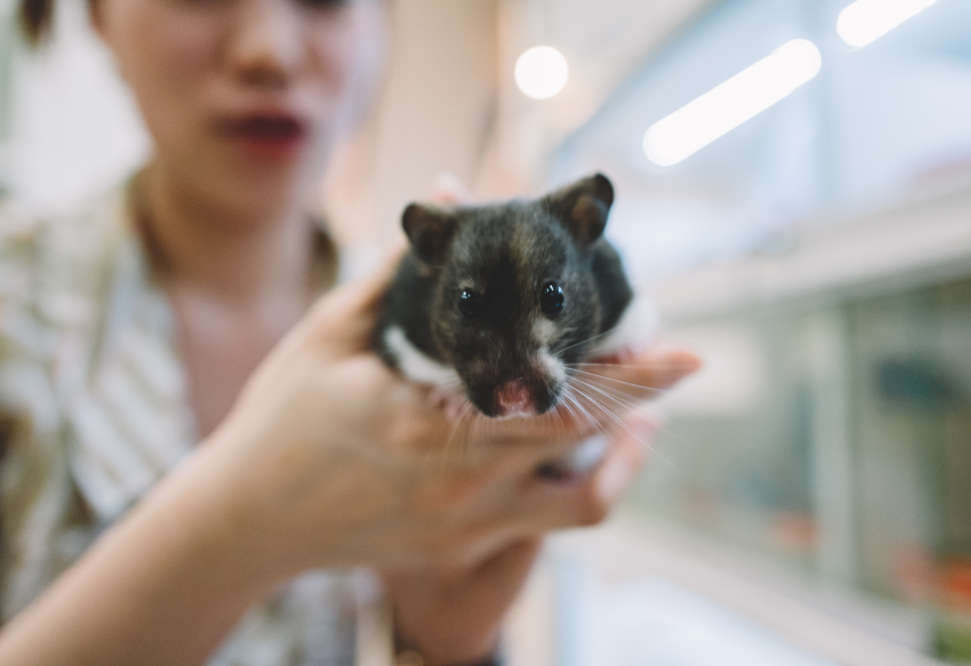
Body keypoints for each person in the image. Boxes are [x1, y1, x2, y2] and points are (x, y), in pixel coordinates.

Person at [0, 1, 700, 664]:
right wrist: (236, 529)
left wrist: (448, 638)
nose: (267, 52)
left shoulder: (408, 302)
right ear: (96, 15)